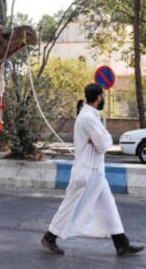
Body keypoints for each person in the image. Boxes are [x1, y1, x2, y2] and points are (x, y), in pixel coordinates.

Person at [41, 83, 144, 256]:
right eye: (102, 96)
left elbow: (101, 142)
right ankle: (50, 237)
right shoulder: (88, 117)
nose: (103, 99)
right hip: (86, 172)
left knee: (108, 205)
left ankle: (121, 243)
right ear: (98, 98)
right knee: (70, 206)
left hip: (95, 171)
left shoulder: (90, 116)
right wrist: (104, 138)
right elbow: (104, 144)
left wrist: (102, 139)